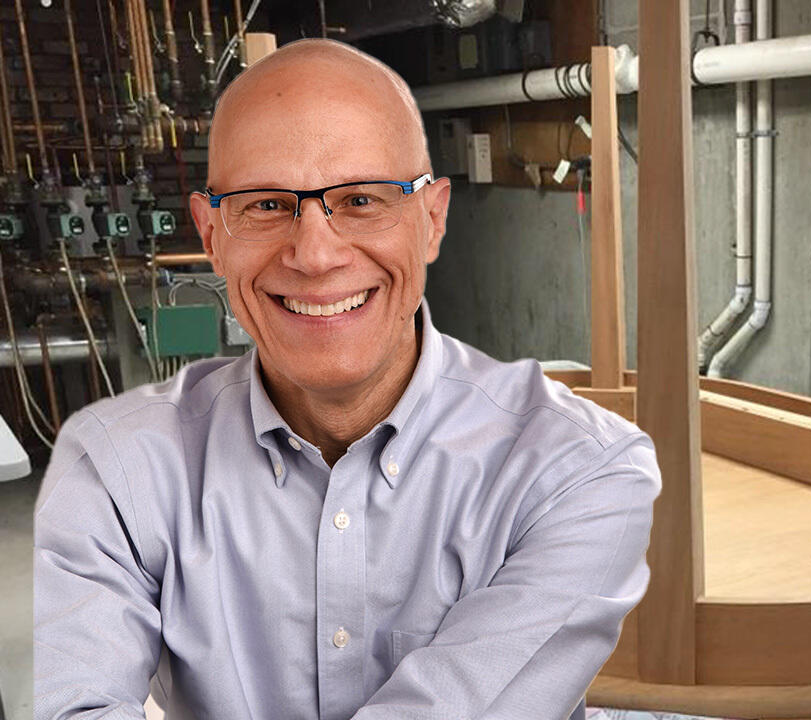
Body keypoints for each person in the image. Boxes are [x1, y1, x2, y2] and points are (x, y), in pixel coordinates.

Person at [34, 38, 660, 720]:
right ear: (211, 235)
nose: (315, 254)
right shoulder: (116, 468)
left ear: (432, 220)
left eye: (362, 199)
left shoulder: (579, 471)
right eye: (265, 205)